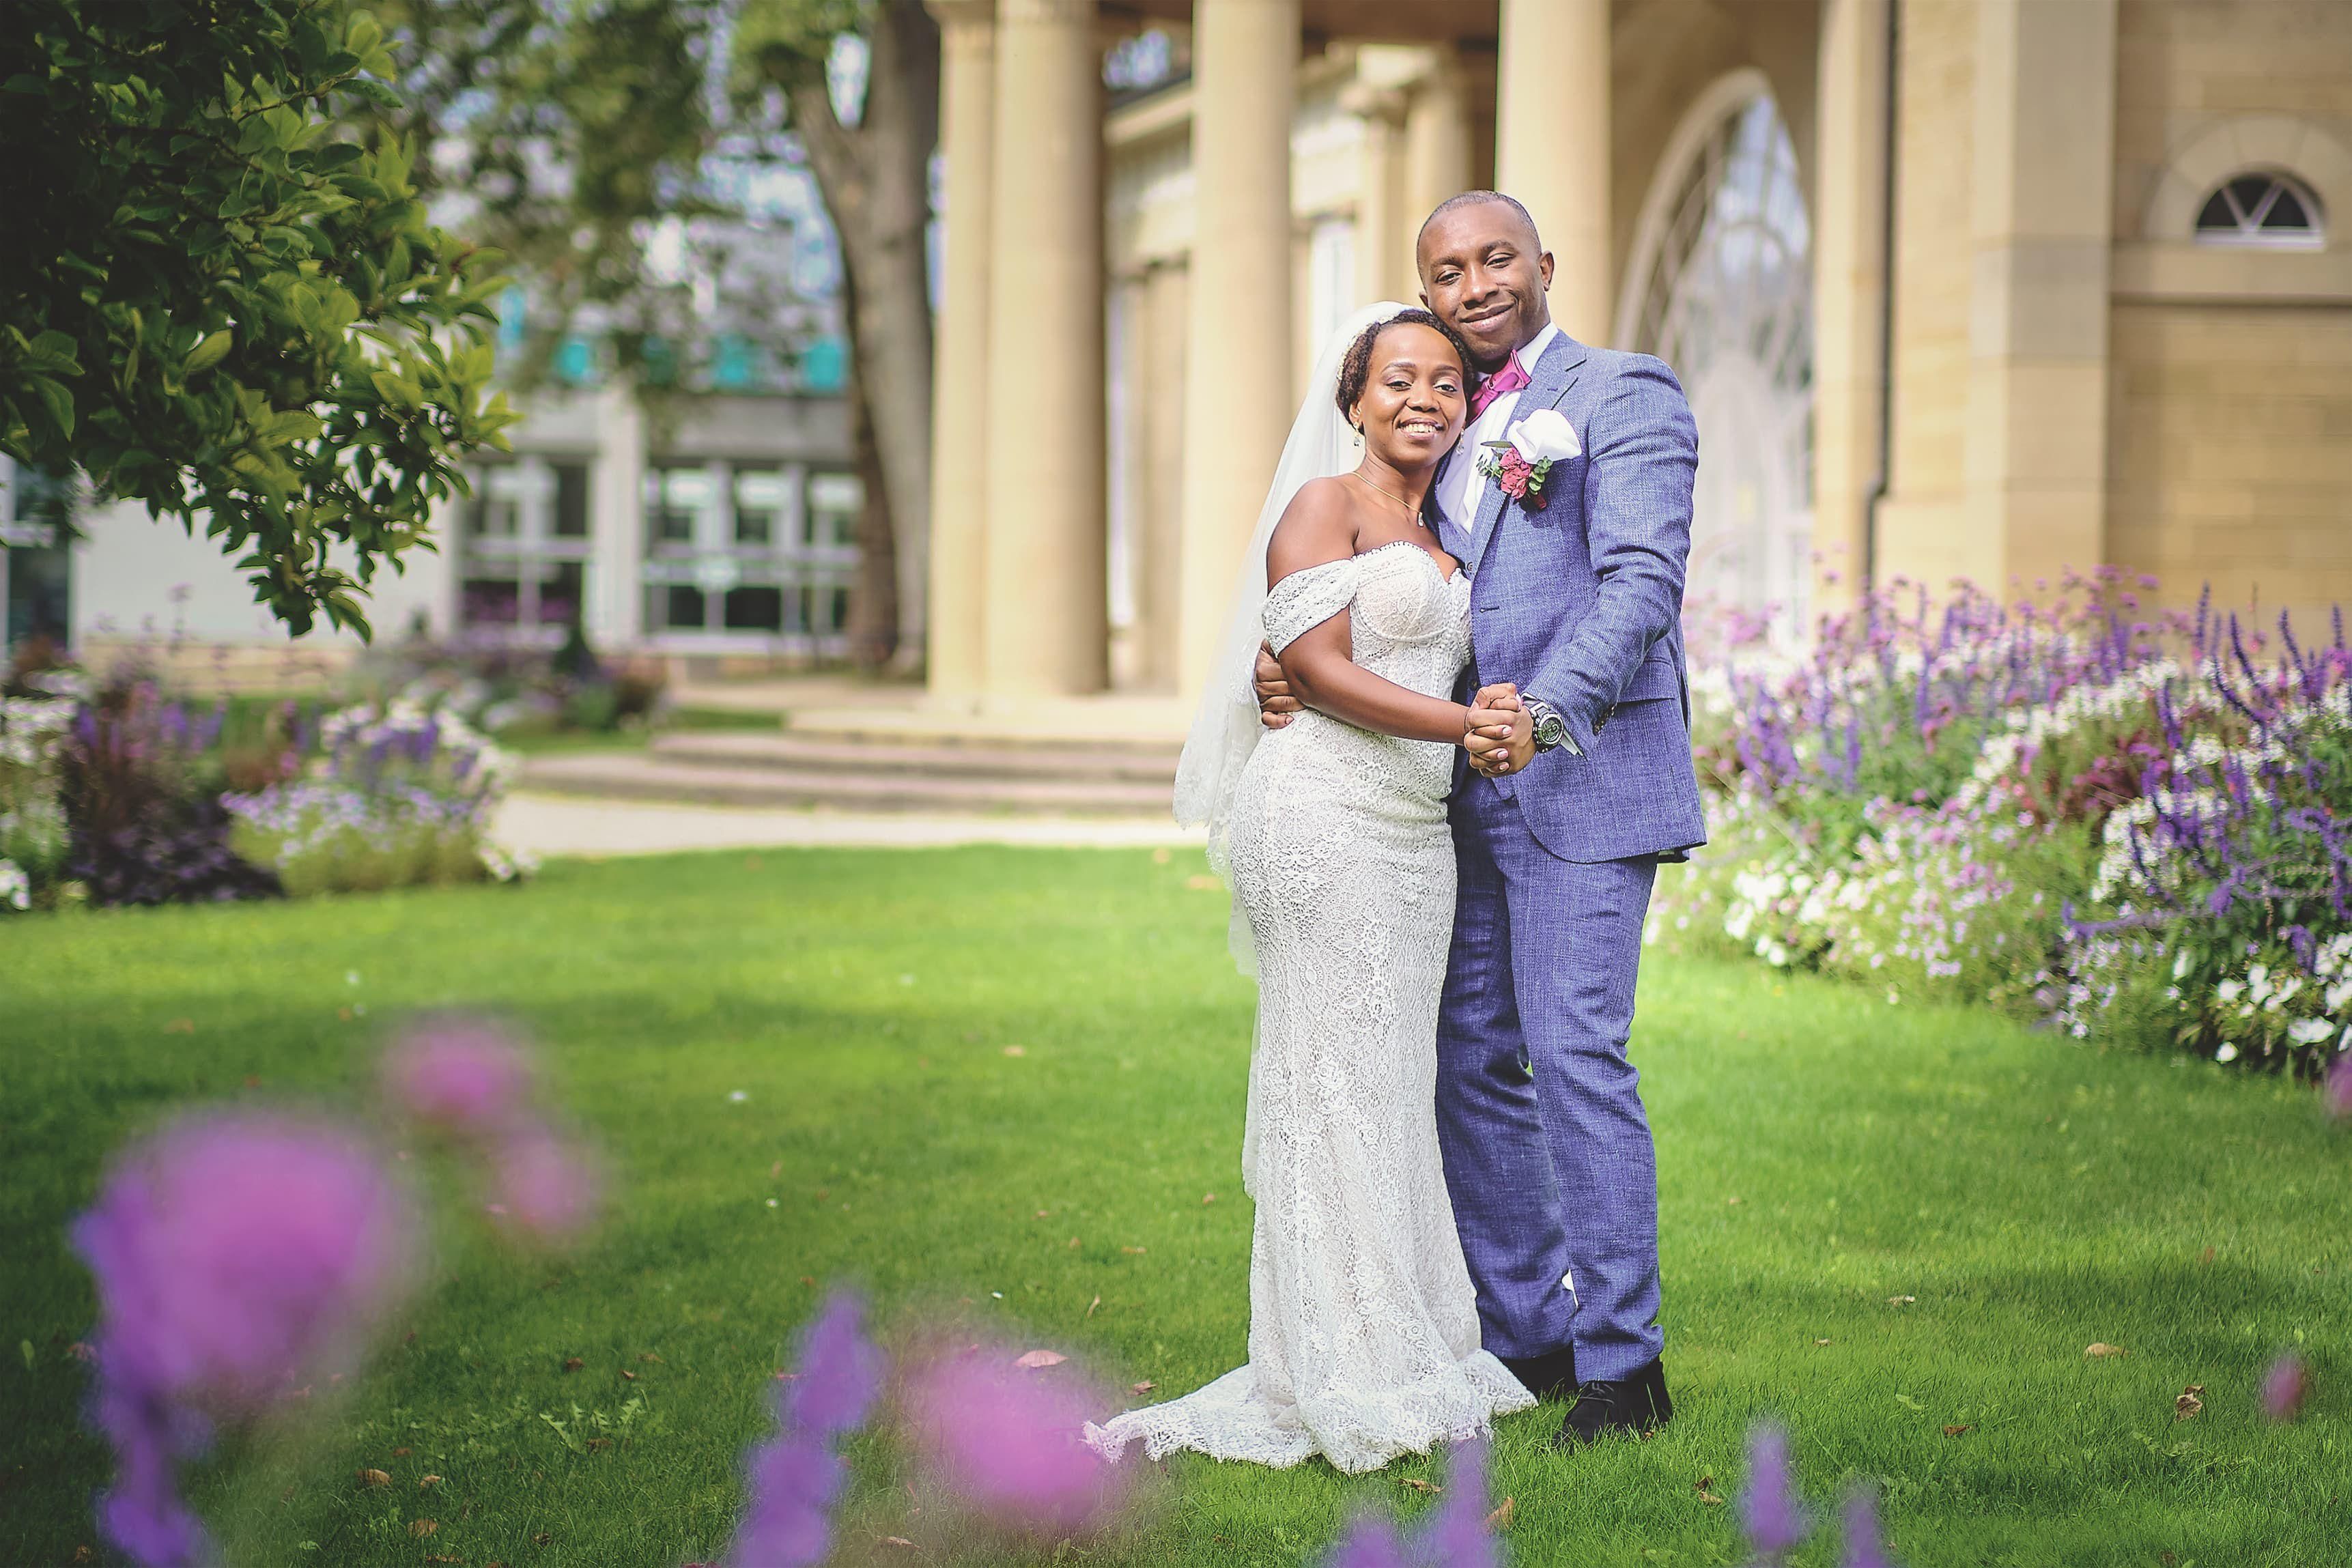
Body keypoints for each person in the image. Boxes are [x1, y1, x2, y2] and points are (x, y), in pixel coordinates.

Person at [1255, 193, 1705, 1450]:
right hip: (1443, 804)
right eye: (1444, 269)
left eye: (1495, 257)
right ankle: (1531, 1334)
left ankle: (1628, 1365)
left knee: (1572, 1058)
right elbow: (1373, 586)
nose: (1473, 283)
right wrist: (1285, 657)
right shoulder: (1441, 418)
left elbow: (1638, 584)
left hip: (1582, 777)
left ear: (1544, 265)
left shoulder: (1623, 395)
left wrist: (1543, 712)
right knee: (1466, 1068)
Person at [1084, 306, 1538, 1474]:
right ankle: (1327, 1362)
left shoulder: (1445, 525)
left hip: (1411, 835)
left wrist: (1460, 727)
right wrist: (1468, 726)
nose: (1424, 399)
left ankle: (1403, 1341)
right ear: (1353, 401)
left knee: (1388, 1084)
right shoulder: (1321, 507)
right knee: (1326, 1077)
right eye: (1398, 380)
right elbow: (1320, 673)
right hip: (1323, 818)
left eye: (1445, 382)